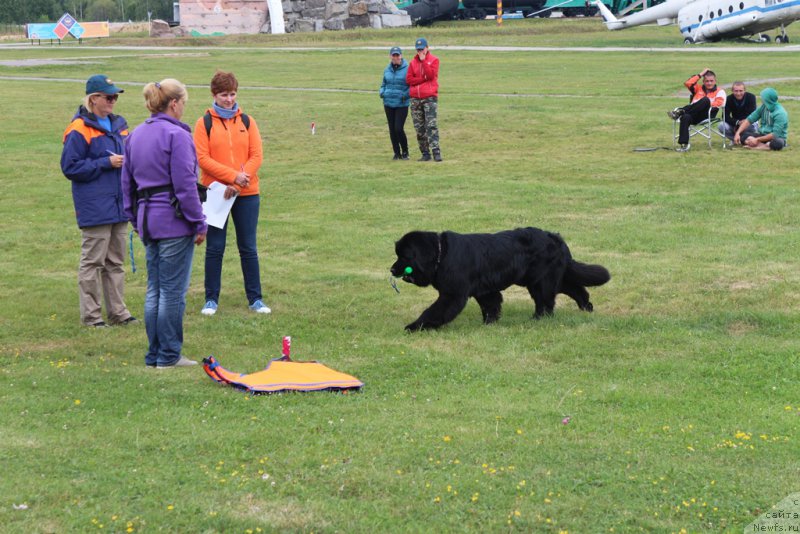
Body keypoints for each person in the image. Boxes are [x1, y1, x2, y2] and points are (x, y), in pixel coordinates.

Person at [122, 79, 207, 368]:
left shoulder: (134, 135)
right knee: (172, 292)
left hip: (147, 221)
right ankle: (169, 355)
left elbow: (127, 184)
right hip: (172, 221)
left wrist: (134, 218)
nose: (184, 108)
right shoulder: (177, 135)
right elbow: (185, 185)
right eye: (183, 102)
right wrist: (199, 222)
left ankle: (154, 353)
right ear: (174, 103)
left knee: (154, 289)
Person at [61, 74, 137, 328]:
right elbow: (70, 167)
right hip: (95, 205)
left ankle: (118, 313)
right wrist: (106, 163)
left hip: (119, 204)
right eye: (109, 97)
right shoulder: (78, 129)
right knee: (93, 262)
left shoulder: (120, 125)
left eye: (115, 96)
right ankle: (92, 317)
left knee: (115, 262)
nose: (113, 101)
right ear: (94, 99)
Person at [193, 71, 270, 316]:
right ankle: (211, 299)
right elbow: (202, 158)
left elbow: (256, 155)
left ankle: (255, 299)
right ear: (214, 95)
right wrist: (230, 177)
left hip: (246, 193)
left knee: (248, 247)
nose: (229, 99)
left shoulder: (247, 121)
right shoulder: (203, 123)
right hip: (216, 193)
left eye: (232, 94)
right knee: (215, 247)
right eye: (224, 94)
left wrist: (239, 182)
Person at [667, 68, 726, 152]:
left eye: (711, 81)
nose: (709, 83)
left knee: (706, 100)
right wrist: (700, 74)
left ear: (715, 81)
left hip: (707, 115)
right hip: (693, 115)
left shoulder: (720, 91)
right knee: (685, 117)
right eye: (707, 81)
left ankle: (681, 111)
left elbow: (718, 104)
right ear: (703, 82)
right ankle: (684, 145)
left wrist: (704, 104)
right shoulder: (698, 89)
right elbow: (688, 83)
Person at [406, 37, 442, 162]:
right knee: (419, 127)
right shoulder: (412, 62)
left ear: (427, 48)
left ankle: (436, 151)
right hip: (415, 98)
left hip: (429, 97)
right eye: (418, 49)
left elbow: (431, 75)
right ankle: (425, 153)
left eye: (422, 49)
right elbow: (409, 79)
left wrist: (424, 62)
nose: (420, 51)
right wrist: (423, 79)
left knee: (431, 125)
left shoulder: (434, 60)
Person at [380, 46, 410, 160]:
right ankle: (396, 153)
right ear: (390, 56)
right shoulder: (387, 69)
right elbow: (383, 84)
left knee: (398, 128)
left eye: (397, 55)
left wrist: (404, 95)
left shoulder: (407, 68)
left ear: (401, 56)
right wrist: (382, 92)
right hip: (388, 102)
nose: (396, 57)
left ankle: (405, 151)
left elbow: (410, 86)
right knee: (392, 129)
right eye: (394, 55)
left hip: (401, 103)